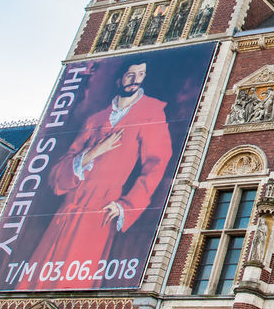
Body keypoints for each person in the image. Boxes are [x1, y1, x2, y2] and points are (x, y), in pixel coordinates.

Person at [22, 61, 173, 289]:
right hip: (66, 211)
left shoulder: (151, 112)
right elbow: (56, 178)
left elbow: (157, 165)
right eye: (130, 74)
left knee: (75, 286)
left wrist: (127, 205)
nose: (135, 79)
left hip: (100, 213)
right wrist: (92, 153)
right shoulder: (94, 119)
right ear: (119, 79)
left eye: (141, 74)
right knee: (35, 284)